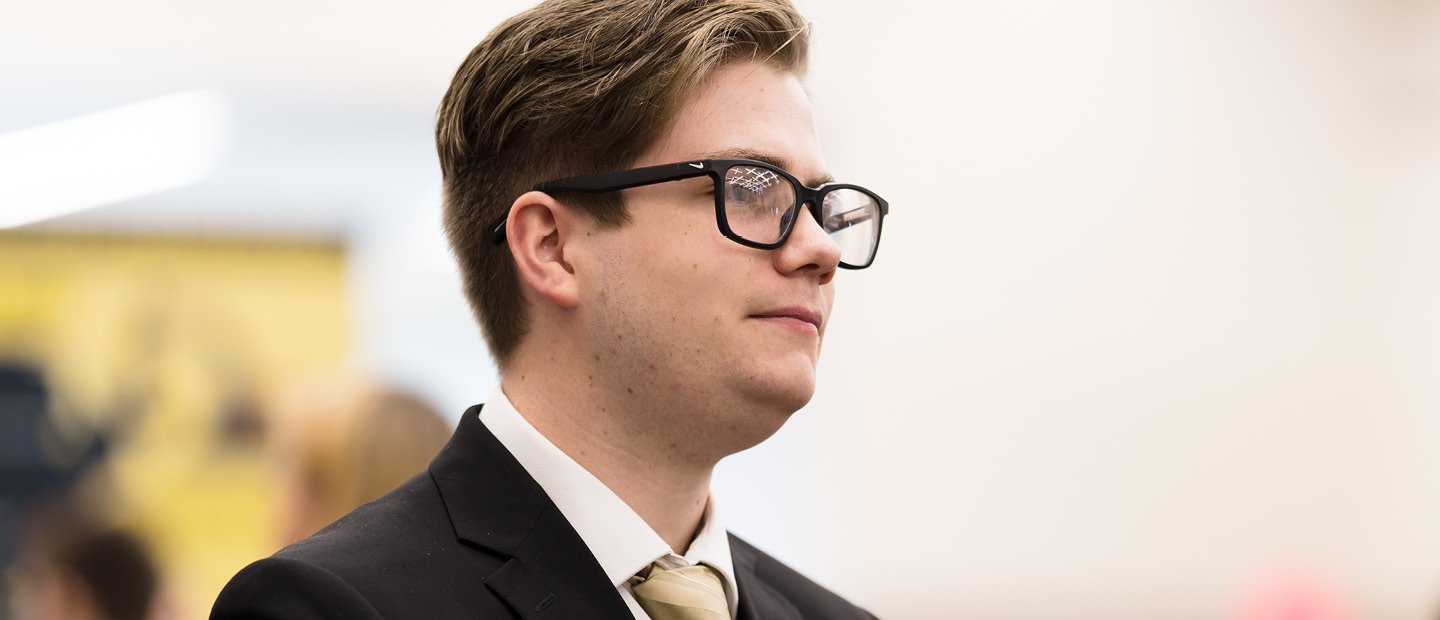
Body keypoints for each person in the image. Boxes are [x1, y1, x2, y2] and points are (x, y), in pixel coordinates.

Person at [212, 0, 888, 617]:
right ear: (553, 247)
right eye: (750, 188)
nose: (818, 248)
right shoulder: (332, 607)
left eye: (820, 205)